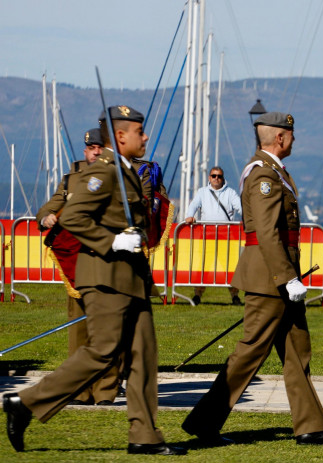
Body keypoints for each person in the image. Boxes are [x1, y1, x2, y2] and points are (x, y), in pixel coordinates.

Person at [2, 105, 186, 455]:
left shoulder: (128, 171)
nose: (144, 136)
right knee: (101, 352)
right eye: (138, 131)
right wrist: (112, 240)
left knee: (143, 357)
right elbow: (73, 215)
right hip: (105, 278)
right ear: (120, 136)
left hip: (131, 279)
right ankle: (24, 403)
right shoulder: (104, 173)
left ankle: (144, 435)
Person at [181, 112, 323, 447]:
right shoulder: (263, 174)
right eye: (291, 134)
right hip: (270, 279)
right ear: (280, 138)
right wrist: (286, 277)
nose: (294, 139)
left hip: (278, 276)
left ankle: (311, 426)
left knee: (296, 351)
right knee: (250, 352)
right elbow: (267, 231)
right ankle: (204, 422)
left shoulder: (273, 171)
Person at [34, 128, 121, 407]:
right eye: (91, 148)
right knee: (79, 328)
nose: (95, 151)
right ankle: (80, 390)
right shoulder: (71, 179)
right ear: (85, 151)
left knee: (108, 329)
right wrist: (46, 216)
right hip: (77, 263)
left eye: (99, 147)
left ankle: (106, 391)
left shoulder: (117, 175)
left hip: (107, 260)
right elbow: (51, 206)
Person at [184, 166, 243, 305]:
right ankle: (197, 294)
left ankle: (235, 295)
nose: (216, 178)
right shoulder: (202, 192)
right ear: (209, 177)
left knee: (230, 266)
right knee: (203, 265)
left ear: (223, 178)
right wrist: (189, 216)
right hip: (207, 235)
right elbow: (193, 205)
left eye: (219, 176)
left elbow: (241, 207)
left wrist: (247, 218)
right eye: (214, 176)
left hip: (226, 235)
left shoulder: (231, 193)